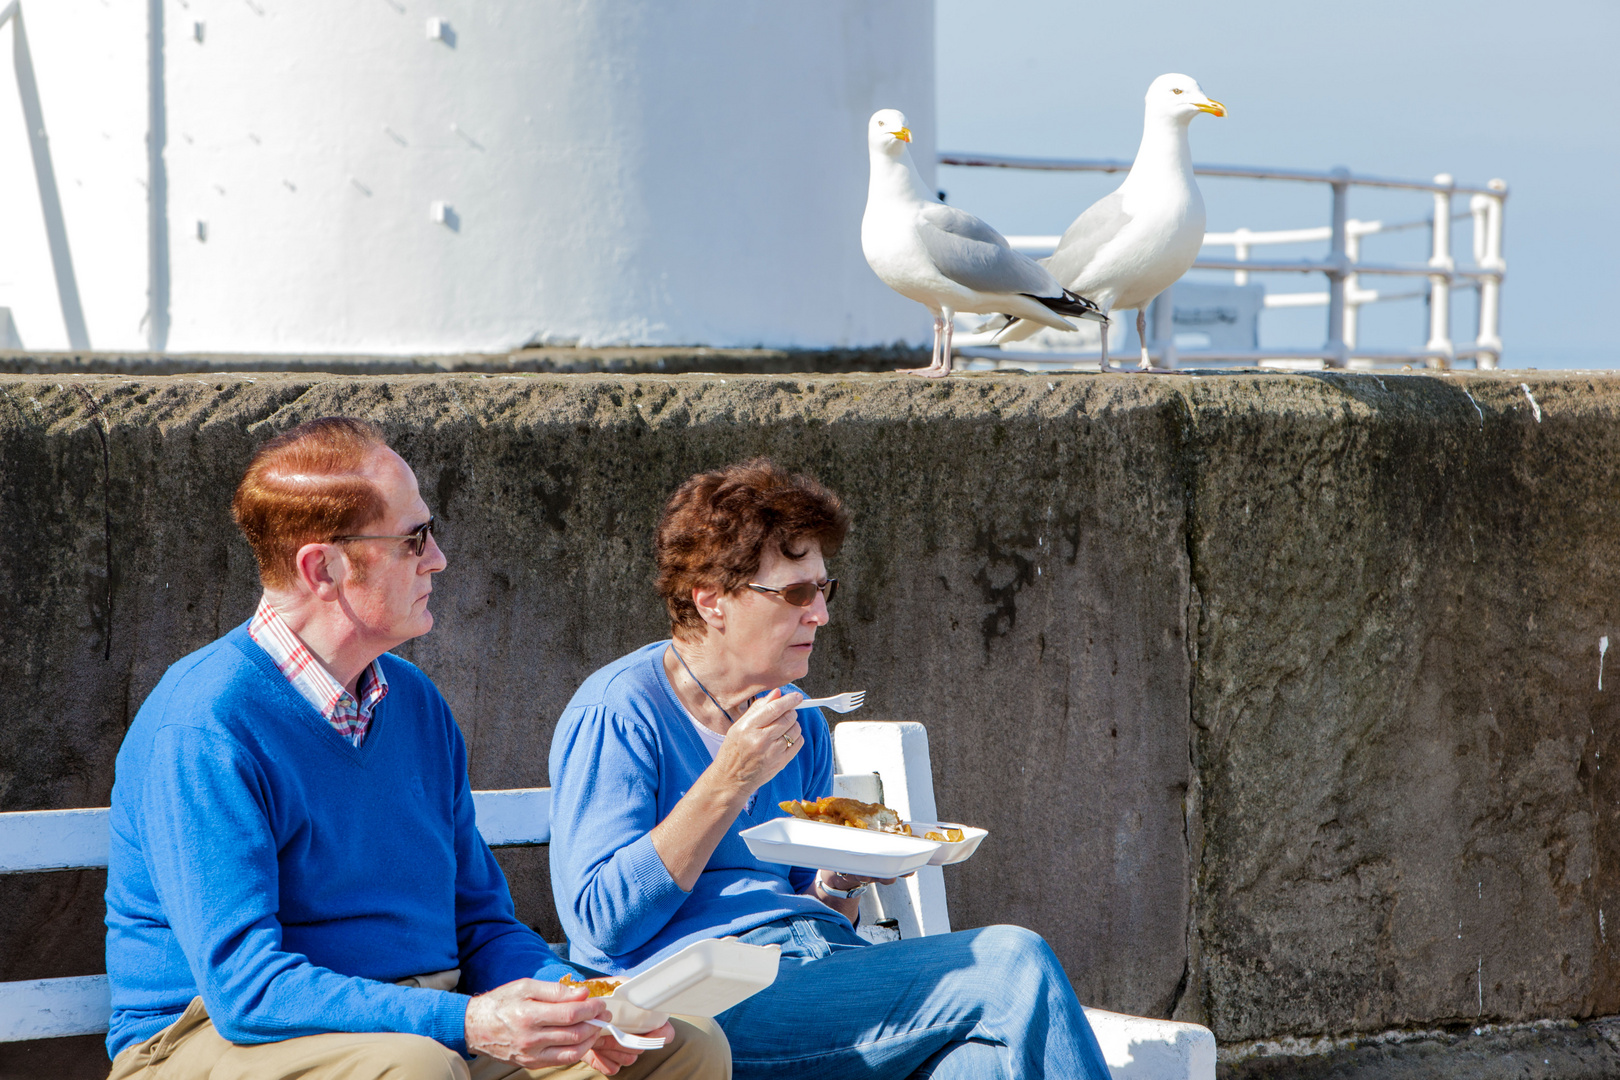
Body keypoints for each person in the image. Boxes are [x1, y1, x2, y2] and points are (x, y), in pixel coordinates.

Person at [103, 417, 729, 1080]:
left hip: (420, 1021)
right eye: (414, 539)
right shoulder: (206, 723)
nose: (438, 559)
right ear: (325, 567)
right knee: (418, 1070)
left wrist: (574, 1003)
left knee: (685, 1046)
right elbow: (245, 991)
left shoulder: (413, 702)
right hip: (206, 1041)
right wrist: (468, 1023)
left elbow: (483, 925)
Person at [547, 459, 1112, 1080]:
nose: (819, 614)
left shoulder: (795, 719)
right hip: (704, 999)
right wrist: (728, 780)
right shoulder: (621, 712)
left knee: (979, 1067)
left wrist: (841, 880)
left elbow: (801, 899)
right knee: (1012, 962)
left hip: (821, 969)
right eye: (795, 593)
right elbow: (600, 923)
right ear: (712, 601)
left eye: (823, 590)